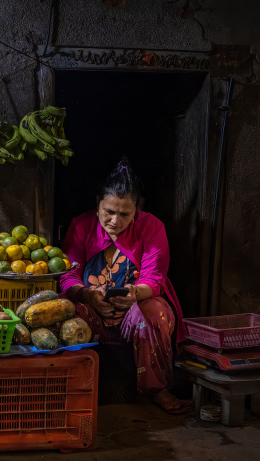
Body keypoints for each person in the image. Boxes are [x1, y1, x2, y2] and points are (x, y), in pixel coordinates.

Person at [59, 158, 193, 415]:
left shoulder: (152, 227)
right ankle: (70, 389)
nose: (114, 221)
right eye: (108, 211)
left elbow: (154, 279)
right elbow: (68, 276)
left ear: (137, 210)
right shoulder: (81, 225)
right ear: (97, 203)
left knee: (154, 311)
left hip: (134, 309)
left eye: (124, 214)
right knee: (66, 309)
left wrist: (135, 294)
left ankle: (157, 389)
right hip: (93, 309)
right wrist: (86, 295)